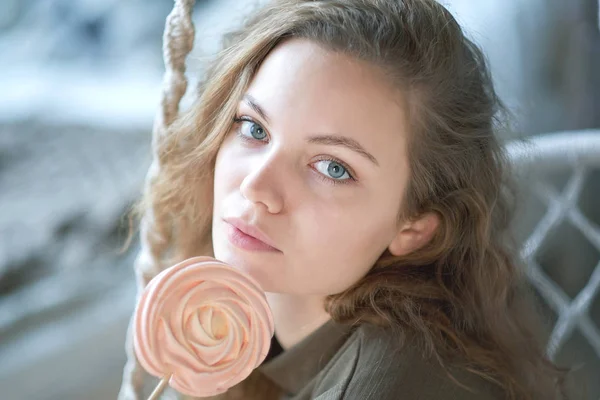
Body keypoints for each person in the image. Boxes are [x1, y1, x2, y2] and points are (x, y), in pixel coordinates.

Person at [127, 0, 570, 398]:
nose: (256, 188)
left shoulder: (389, 384)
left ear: (413, 227)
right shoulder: (284, 338)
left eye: (333, 167)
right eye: (254, 128)